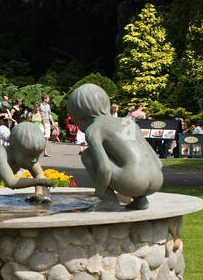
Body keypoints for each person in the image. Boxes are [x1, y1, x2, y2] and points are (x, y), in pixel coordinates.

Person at [68, 83, 163, 211]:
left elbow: (105, 169)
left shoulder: (94, 129)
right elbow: (157, 161)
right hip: (157, 179)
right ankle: (140, 200)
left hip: (132, 181)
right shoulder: (128, 122)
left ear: (80, 117)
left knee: (87, 155)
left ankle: (109, 201)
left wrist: (100, 192)